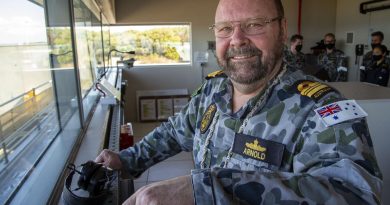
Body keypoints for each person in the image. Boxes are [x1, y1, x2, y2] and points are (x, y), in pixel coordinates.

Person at [96, 0, 383, 204]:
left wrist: (209, 190)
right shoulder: (213, 89)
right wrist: (126, 159)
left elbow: (354, 195)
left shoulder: (320, 109)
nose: (237, 40)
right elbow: (174, 131)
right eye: (224, 29)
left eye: (254, 25)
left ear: (282, 30)